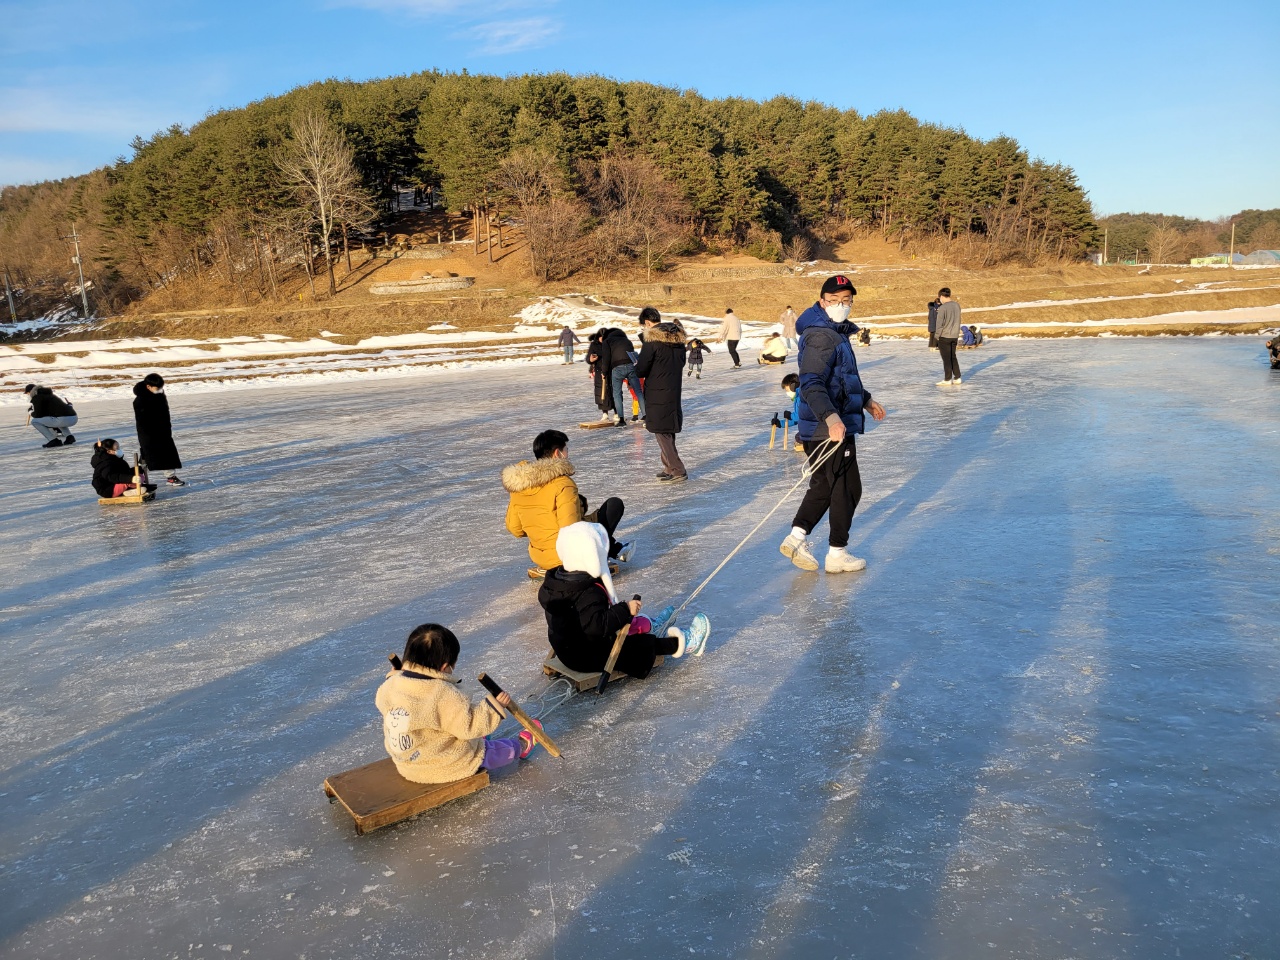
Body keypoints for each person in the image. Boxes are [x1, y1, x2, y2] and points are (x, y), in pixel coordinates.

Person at [778, 274, 887, 574]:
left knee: (825, 484)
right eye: (835, 300)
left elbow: (839, 379)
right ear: (822, 301)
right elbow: (811, 382)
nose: (841, 305)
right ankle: (837, 553)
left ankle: (797, 536)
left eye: (846, 300)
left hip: (825, 424)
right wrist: (832, 417)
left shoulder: (832, 332)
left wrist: (865, 399)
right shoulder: (822, 336)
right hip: (829, 427)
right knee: (847, 488)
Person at [538, 522, 709, 679]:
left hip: (567, 650)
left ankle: (652, 626)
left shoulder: (556, 583)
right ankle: (686, 643)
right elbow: (599, 625)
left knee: (620, 623)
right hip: (587, 657)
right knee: (640, 646)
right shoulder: (588, 592)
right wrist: (625, 609)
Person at [375, 623, 539, 784]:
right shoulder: (442, 694)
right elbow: (469, 726)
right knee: (489, 752)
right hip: (446, 765)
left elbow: (383, 700)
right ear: (445, 667)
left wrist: (395, 675)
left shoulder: (391, 684)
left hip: (408, 764)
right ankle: (521, 746)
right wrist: (493, 708)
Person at [503, 429, 631, 576]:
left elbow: (515, 529)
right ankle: (612, 549)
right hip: (565, 558)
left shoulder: (520, 485)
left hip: (539, 556)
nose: (567, 455)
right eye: (566, 450)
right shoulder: (562, 484)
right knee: (614, 505)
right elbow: (571, 530)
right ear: (557, 453)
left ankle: (614, 548)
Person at [635, 306, 689, 483]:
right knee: (667, 430)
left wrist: (635, 363)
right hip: (673, 389)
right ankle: (669, 467)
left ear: (648, 323)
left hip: (657, 391)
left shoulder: (652, 343)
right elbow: (680, 363)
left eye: (644, 326)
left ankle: (678, 469)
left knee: (661, 431)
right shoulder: (678, 340)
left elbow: (641, 369)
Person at [133, 373, 185, 485]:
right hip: (149, 433)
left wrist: (166, 428)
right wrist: (149, 435)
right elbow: (142, 422)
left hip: (164, 431)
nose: (160, 390)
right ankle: (140, 477)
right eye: (157, 388)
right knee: (149, 455)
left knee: (168, 454)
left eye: (161, 387)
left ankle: (171, 477)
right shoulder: (140, 400)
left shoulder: (160, 394)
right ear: (148, 387)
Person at [605, 327, 646, 426]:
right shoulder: (627, 341)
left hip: (617, 368)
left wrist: (604, 371)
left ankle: (621, 419)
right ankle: (645, 415)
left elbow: (606, 357)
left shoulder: (608, 341)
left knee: (617, 393)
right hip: (631, 366)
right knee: (638, 391)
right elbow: (632, 354)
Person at [90, 439, 156, 498]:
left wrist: (139, 469)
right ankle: (130, 491)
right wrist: (130, 478)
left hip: (116, 484)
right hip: (108, 489)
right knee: (129, 481)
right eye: (117, 448)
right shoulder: (105, 463)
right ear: (109, 452)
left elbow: (124, 472)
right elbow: (112, 476)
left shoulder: (116, 460)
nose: (119, 450)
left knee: (139, 476)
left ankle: (132, 489)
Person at [23, 383, 77, 448]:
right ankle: (69, 437)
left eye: (28, 393)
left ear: (31, 391)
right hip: (73, 418)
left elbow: (38, 415)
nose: (28, 395)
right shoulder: (50, 396)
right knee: (55, 419)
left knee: (35, 421)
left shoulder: (37, 398)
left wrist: (31, 412)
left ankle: (53, 440)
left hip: (62, 419)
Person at [934, 288, 962, 386]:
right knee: (953, 356)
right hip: (954, 335)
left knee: (946, 358)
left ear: (941, 296)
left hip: (944, 336)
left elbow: (939, 324)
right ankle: (957, 377)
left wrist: (936, 336)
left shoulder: (943, 308)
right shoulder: (957, 305)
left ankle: (947, 379)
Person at [586, 331, 616, 421]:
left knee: (613, 392)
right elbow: (588, 358)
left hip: (611, 371)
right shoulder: (594, 345)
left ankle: (617, 412)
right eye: (601, 337)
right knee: (601, 393)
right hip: (599, 372)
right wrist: (591, 359)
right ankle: (605, 413)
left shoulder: (611, 344)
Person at [780, 372, 802, 449]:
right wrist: (780, 423)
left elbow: (799, 417)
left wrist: (790, 415)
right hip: (807, 427)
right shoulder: (797, 398)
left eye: (787, 390)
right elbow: (796, 420)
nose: (787, 393)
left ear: (793, 386)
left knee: (799, 436)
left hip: (813, 429)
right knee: (798, 436)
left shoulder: (801, 398)